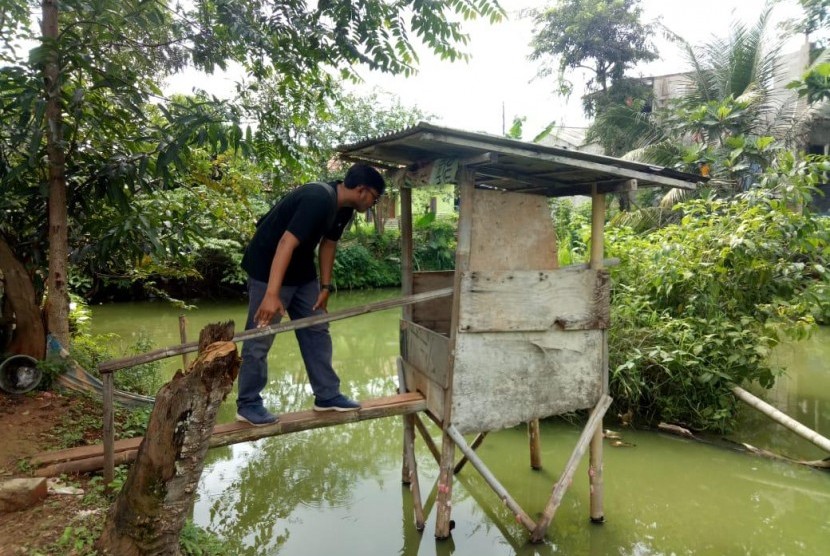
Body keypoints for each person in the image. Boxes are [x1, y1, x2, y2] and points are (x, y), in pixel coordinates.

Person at [235, 163, 386, 426]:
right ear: (362, 190)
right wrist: (272, 294)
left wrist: (325, 288)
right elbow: (285, 243)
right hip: (267, 267)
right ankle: (248, 403)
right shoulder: (318, 198)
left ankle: (327, 395)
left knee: (317, 327)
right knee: (261, 334)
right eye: (375, 197)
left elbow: (328, 244)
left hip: (301, 270)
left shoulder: (344, 209)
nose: (374, 203)